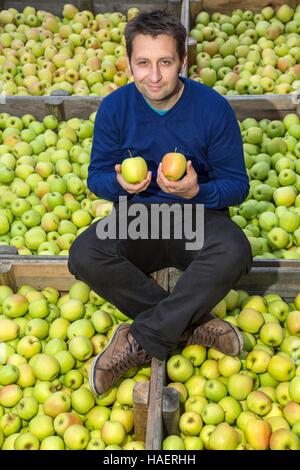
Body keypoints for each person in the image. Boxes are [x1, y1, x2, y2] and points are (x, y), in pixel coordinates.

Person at [68, 9, 252, 397]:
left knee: (235, 249)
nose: (154, 76)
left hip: (196, 218)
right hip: (139, 219)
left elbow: (237, 186)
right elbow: (96, 177)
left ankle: (139, 336)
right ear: (130, 63)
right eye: (143, 63)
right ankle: (191, 323)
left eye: (165, 62)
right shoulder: (116, 108)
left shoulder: (213, 108)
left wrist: (196, 192)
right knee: (85, 254)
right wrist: (120, 186)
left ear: (183, 61)